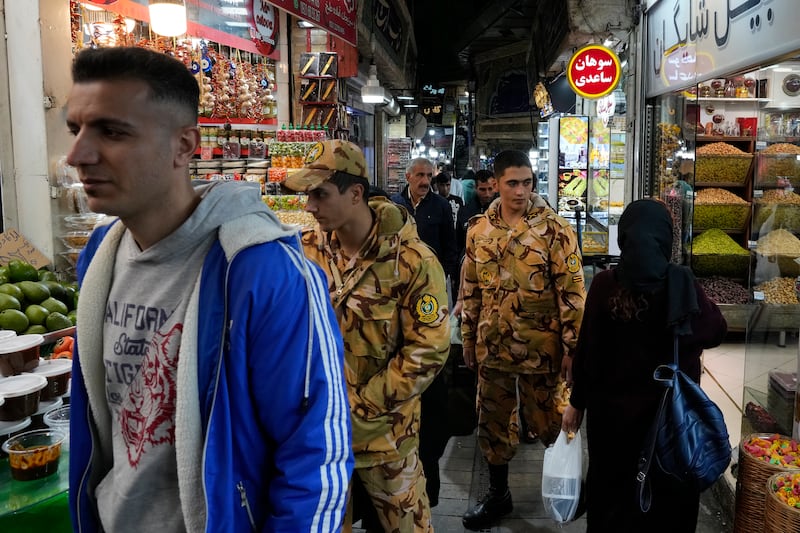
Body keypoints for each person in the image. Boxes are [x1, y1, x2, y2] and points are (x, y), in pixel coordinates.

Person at [66, 47, 352, 533]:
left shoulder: (262, 269)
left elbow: (317, 450)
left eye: (113, 132)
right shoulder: (100, 255)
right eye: (76, 130)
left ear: (184, 145)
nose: (78, 156)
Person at [283, 140, 450, 532]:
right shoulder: (303, 252)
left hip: (386, 438)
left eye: (320, 194)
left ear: (355, 192)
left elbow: (428, 349)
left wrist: (359, 408)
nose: (309, 207)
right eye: (308, 195)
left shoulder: (412, 261)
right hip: (319, 438)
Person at [561, 199, 727, 532]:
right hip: (670, 425)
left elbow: (588, 356)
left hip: (611, 425)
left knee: (612, 501)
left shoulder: (606, 285)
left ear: (625, 237)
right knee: (666, 509)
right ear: (666, 239)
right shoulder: (681, 283)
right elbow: (715, 332)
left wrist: (576, 404)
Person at [460, 149, 586, 531]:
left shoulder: (554, 229)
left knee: (551, 423)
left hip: (542, 351)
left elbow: (572, 293)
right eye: (512, 183)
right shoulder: (478, 230)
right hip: (492, 348)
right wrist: (468, 339)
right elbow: (471, 290)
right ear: (495, 184)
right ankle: (499, 495)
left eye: (527, 182)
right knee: (492, 425)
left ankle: (566, 489)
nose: (521, 191)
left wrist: (572, 349)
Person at [390, 156, 458, 507]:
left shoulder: (441, 207)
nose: (425, 181)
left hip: (431, 298)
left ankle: (428, 490)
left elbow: (451, 247)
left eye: (429, 176)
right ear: (408, 176)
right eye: (419, 175)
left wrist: (441, 277)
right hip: (400, 297)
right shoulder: (394, 205)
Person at [455, 169, 496, 259]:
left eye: (490, 189)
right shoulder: (465, 211)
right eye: (482, 189)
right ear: (476, 188)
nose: (487, 194)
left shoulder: (502, 210)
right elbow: (458, 241)